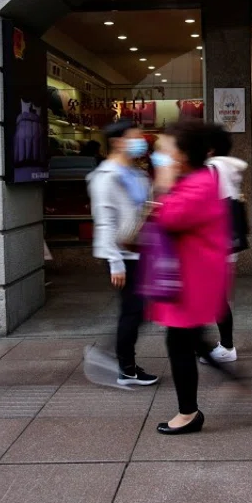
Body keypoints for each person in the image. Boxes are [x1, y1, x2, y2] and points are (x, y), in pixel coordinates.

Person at [147, 121, 232, 435]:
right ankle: (236, 380)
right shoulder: (196, 179)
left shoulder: (198, 184)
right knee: (188, 339)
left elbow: (169, 217)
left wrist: (163, 184)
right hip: (187, 278)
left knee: (179, 343)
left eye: (166, 150)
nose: (161, 156)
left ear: (183, 154)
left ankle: (188, 413)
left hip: (190, 282)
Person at [87, 120, 159, 387]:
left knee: (138, 310)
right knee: (133, 310)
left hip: (139, 252)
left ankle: (117, 357)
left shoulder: (136, 172)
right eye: (135, 137)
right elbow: (104, 221)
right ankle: (126, 368)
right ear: (118, 142)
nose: (141, 141)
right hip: (122, 255)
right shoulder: (106, 176)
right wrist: (115, 262)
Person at [202, 123, 248, 363]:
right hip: (226, 242)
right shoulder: (228, 168)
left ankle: (227, 347)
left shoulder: (211, 169)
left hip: (213, 243)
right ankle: (222, 344)